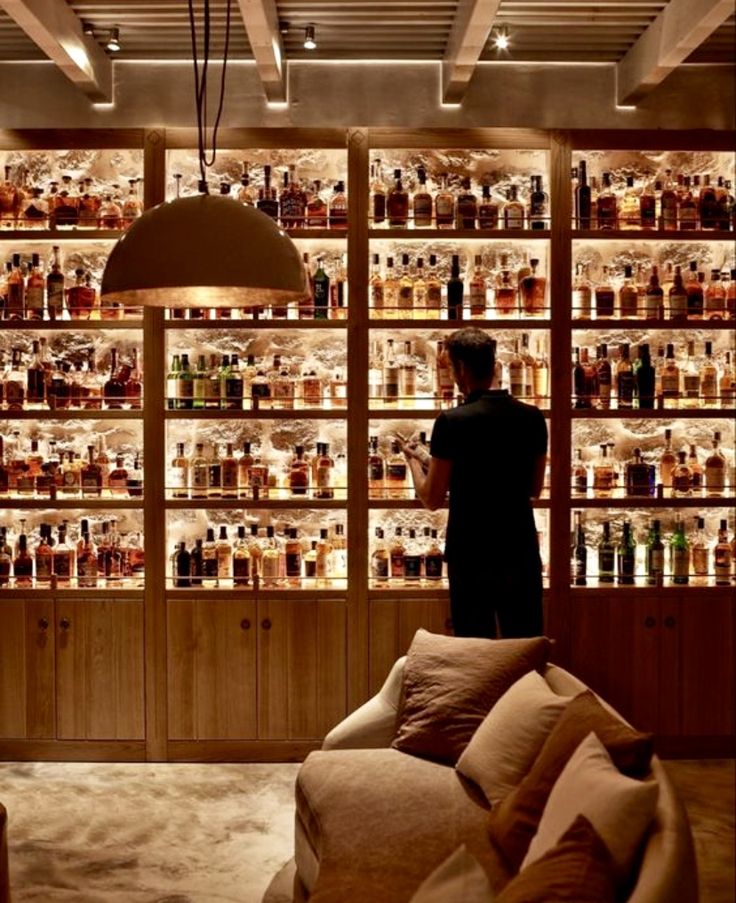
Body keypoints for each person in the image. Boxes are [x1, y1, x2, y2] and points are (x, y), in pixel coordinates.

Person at [399, 327, 547, 639]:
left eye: (451, 368)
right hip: (519, 550)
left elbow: (432, 498)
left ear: (462, 368)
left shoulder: (452, 421)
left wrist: (414, 461)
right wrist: (430, 458)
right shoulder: (532, 418)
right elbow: (533, 487)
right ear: (495, 366)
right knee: (523, 650)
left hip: (472, 554)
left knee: (474, 654)